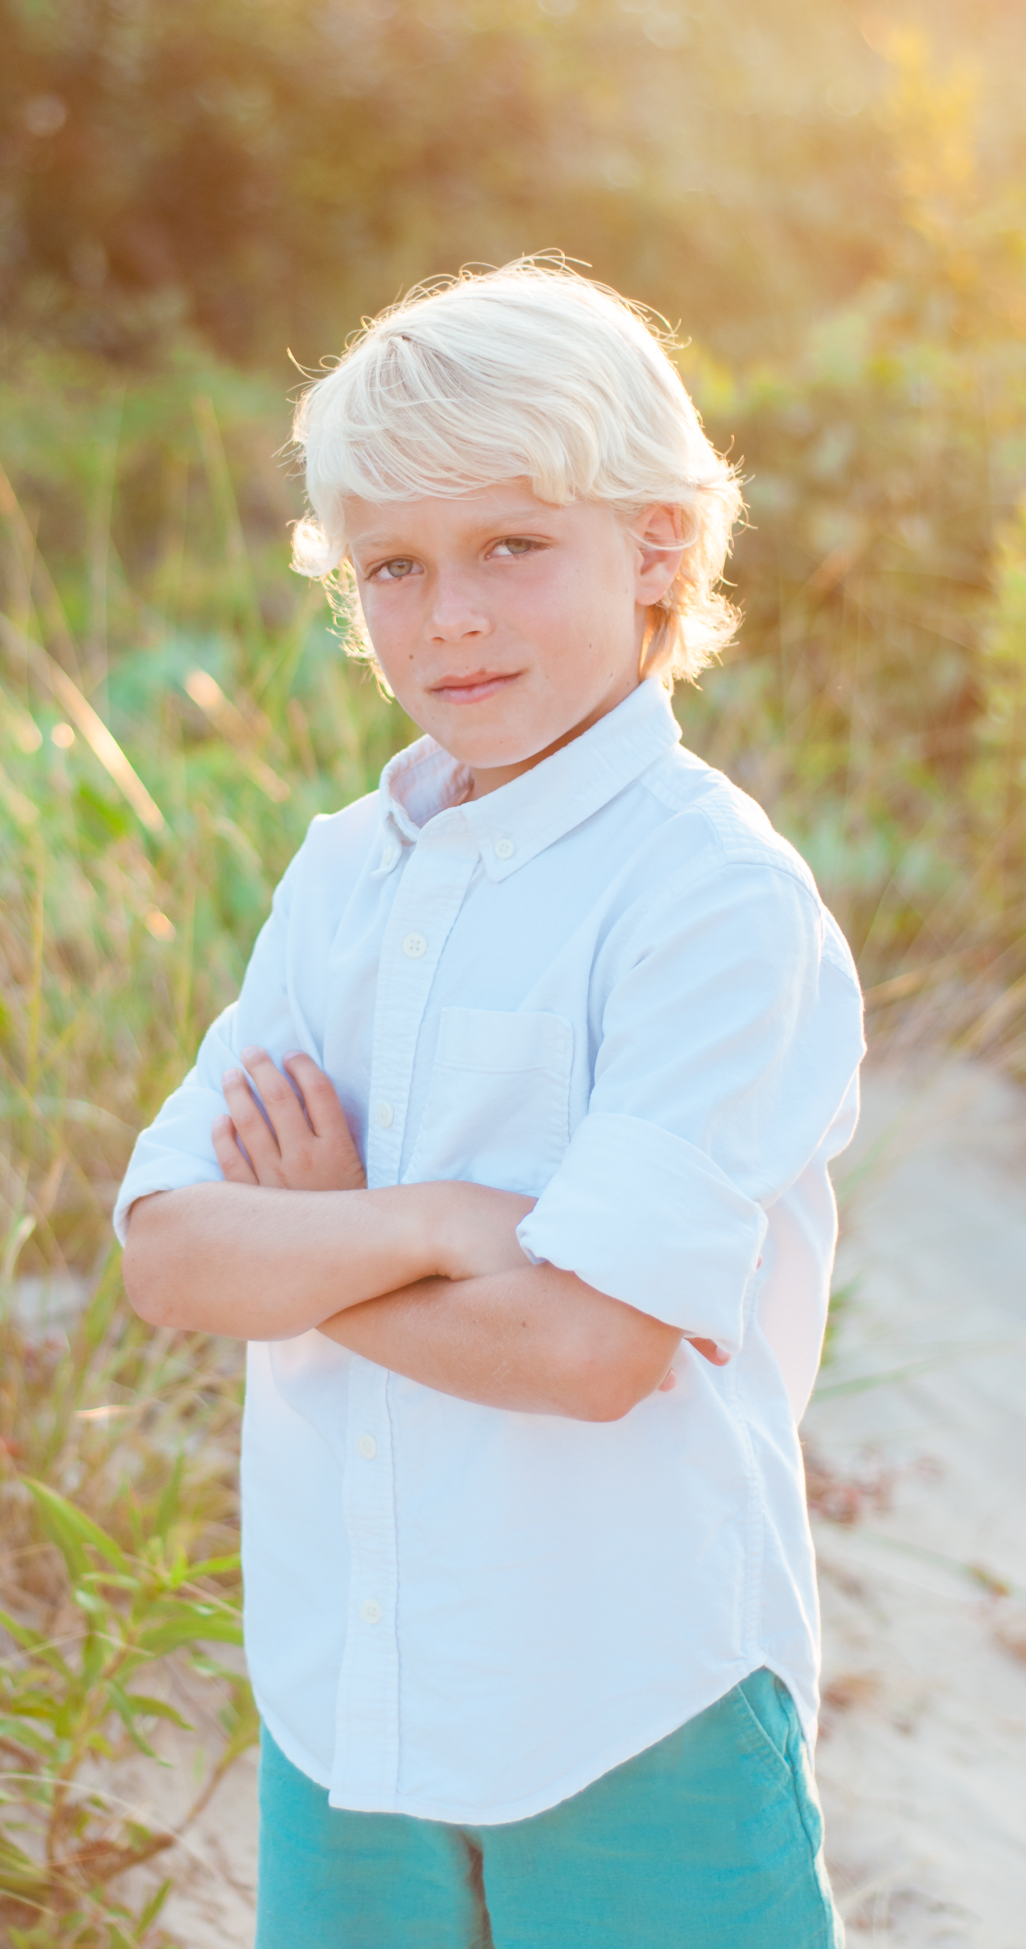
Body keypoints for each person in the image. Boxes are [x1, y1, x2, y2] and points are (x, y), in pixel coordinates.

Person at [116, 258, 864, 1949]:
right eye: (394, 566)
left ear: (659, 546)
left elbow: (591, 1356)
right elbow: (167, 1258)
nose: (448, 615)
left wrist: (311, 1246)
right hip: (348, 1699)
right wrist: (447, 1231)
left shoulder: (709, 901)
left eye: (512, 546)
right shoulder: (341, 880)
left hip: (630, 1702)